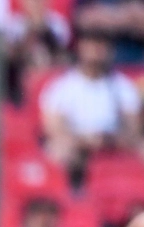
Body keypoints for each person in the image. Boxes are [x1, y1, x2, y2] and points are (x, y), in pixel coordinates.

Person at [41, 30, 143, 188]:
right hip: (77, 143)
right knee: (58, 149)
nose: (97, 50)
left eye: (102, 45)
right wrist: (85, 140)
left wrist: (109, 140)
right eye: (92, 44)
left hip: (113, 141)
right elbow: (54, 128)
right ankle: (73, 195)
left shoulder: (123, 86)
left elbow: (133, 128)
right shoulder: (62, 86)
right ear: (81, 48)